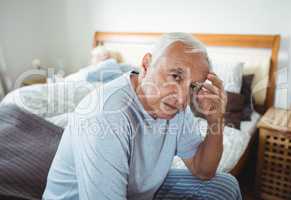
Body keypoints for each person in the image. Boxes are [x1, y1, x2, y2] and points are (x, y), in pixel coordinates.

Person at [43, 33, 242, 200]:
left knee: (225, 185)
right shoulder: (107, 115)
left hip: (135, 190)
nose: (182, 98)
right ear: (146, 65)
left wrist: (216, 119)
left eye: (192, 86)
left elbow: (203, 171)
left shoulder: (177, 107)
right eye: (175, 76)